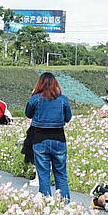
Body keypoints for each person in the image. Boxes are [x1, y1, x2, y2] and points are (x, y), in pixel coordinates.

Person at [24, 72, 72, 202]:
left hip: (40, 139)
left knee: (43, 174)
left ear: (39, 84)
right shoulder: (63, 99)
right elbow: (68, 118)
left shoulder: (36, 99)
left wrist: (32, 96)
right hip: (58, 139)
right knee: (61, 174)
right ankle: (65, 203)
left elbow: (28, 114)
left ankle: (46, 203)